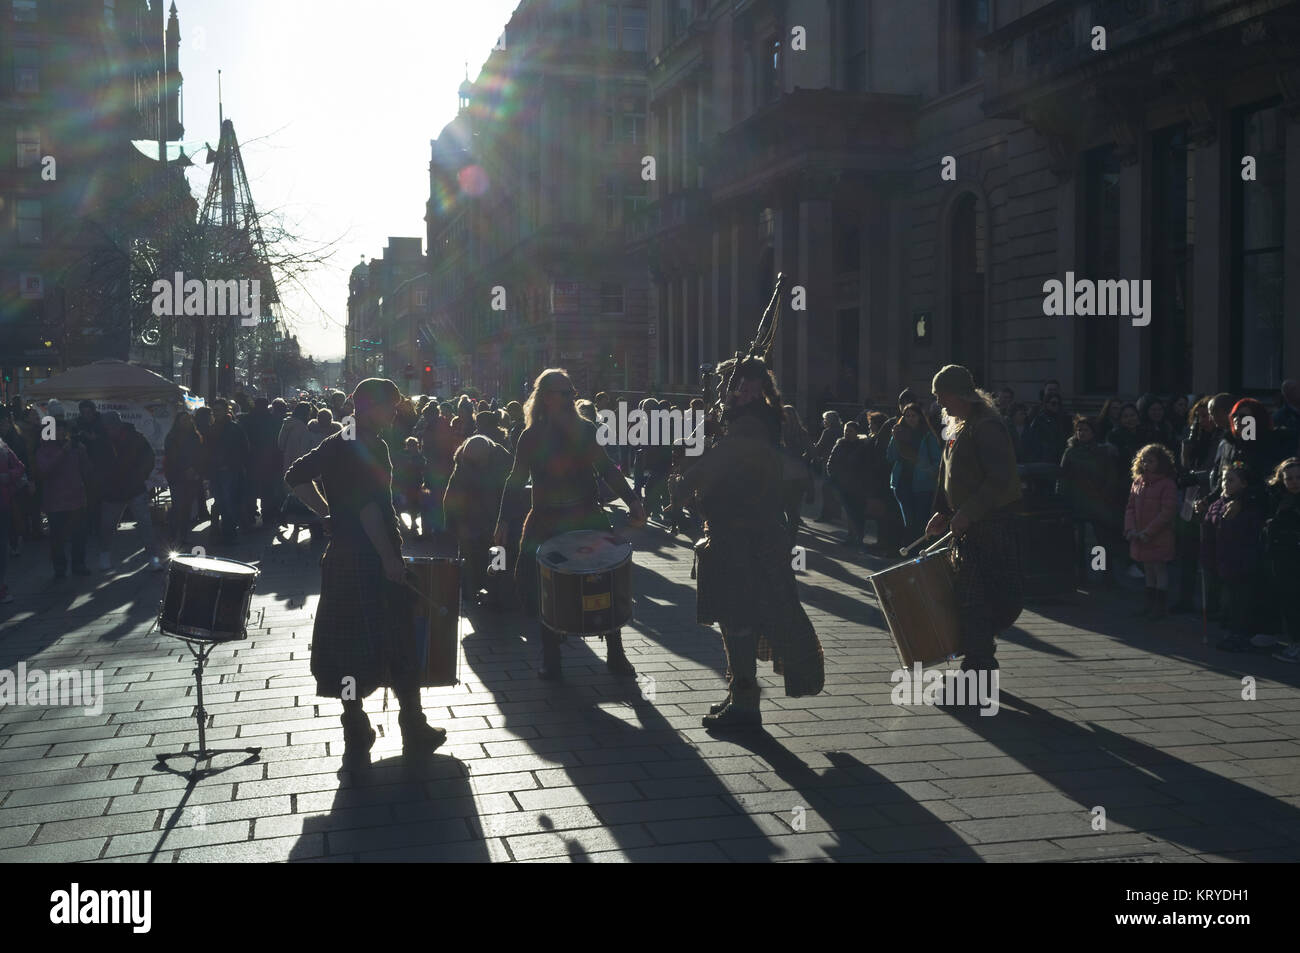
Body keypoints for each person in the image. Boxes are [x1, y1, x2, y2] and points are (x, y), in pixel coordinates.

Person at [285, 378, 447, 768]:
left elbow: (294, 476)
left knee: (345, 648)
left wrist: (326, 513)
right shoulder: (369, 444)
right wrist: (389, 559)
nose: (394, 412)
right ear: (369, 406)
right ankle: (413, 727)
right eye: (390, 405)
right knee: (399, 639)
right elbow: (368, 509)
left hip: (341, 556)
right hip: (370, 559)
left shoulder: (339, 439)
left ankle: (355, 728)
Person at [670, 356, 824, 730]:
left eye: (730, 384)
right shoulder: (755, 420)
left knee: (738, 617)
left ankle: (745, 708)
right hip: (746, 534)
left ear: (748, 387)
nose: (725, 390)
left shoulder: (753, 424)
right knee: (736, 617)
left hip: (742, 538)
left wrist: (680, 491)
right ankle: (740, 695)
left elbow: (717, 463)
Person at [492, 368, 647, 680]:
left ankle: (616, 653)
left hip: (586, 516)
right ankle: (552, 658)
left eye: (570, 392)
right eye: (561, 392)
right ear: (545, 397)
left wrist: (633, 500)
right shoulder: (531, 436)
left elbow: (607, 468)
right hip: (545, 519)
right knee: (538, 586)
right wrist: (502, 521)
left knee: (606, 582)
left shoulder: (585, 430)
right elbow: (515, 480)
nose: (568, 398)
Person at [925, 365, 1023, 678]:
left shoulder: (987, 426)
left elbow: (999, 479)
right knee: (969, 599)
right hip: (969, 525)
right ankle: (978, 667)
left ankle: (978, 671)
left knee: (974, 600)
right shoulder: (960, 425)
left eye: (943, 397)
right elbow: (950, 475)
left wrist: (968, 512)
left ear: (961, 395)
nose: (941, 404)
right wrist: (943, 511)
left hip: (991, 526)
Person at [443, 433, 514, 608]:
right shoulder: (463, 462)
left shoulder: (504, 461)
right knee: (468, 557)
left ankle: (497, 594)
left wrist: (506, 520)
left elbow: (512, 492)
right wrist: (451, 525)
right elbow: (451, 495)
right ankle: (469, 589)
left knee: (498, 556)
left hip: (495, 519)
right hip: (469, 521)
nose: (474, 466)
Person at [1203, 462, 1267, 652]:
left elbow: (1251, 532)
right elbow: (1209, 528)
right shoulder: (1218, 503)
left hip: (1241, 560)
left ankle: (1239, 634)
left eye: (1231, 480)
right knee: (1229, 599)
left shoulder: (1246, 506)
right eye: (1223, 479)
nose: (1225, 484)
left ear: (1244, 484)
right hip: (1222, 559)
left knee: (1240, 599)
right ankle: (1231, 631)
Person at [1057, 416, 1123, 587]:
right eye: (1079, 430)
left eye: (1086, 430)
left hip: (1099, 503)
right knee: (1079, 543)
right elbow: (1063, 477)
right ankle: (1081, 576)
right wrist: (1062, 500)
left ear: (1093, 432)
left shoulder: (1102, 452)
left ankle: (1103, 575)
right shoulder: (1070, 452)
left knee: (1100, 543)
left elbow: (1111, 476)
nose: (1082, 433)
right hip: (1077, 503)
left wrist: (1106, 494)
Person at [97, 411, 165, 572]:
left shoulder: (134, 437)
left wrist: (141, 475)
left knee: (145, 525)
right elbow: (96, 463)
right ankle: (104, 554)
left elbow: (148, 456)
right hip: (112, 490)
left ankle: (153, 558)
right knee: (107, 526)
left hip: (134, 488)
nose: (109, 429)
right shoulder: (102, 440)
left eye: (111, 426)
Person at [1124, 443, 1179, 621]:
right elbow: (1130, 507)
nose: (1147, 464)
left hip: (1158, 535)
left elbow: (1167, 512)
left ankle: (1160, 606)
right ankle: (1149, 604)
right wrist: (1131, 529)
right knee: (1148, 568)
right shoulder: (1138, 482)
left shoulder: (1167, 484)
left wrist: (1149, 532)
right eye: (1144, 460)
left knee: (1159, 569)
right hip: (1140, 533)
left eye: (1151, 461)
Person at [36, 418, 92, 581]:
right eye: (57, 430)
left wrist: (83, 451)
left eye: (63, 430)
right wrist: (63, 452)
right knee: (57, 538)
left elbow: (87, 469)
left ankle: (78, 564)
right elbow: (45, 470)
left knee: (79, 535)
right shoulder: (44, 449)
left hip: (76, 499)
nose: (60, 433)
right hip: (55, 502)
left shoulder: (76, 448)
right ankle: (60, 567)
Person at [886, 402, 942, 539]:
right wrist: (895, 438)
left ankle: (919, 550)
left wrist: (929, 470)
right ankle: (910, 549)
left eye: (913, 416)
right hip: (902, 482)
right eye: (907, 416)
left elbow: (937, 460)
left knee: (921, 520)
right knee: (909, 521)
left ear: (920, 417)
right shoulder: (899, 433)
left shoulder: (927, 435)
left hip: (922, 484)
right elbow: (891, 456)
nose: (910, 418)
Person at [1265, 458, 1300, 662]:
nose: (1294, 482)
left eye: (1298, 478)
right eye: (1290, 478)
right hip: (1282, 556)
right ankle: (1295, 641)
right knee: (1289, 600)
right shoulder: (1278, 499)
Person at [163, 412, 204, 550]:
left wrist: (196, 470)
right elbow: (172, 457)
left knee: (187, 507)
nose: (186, 421)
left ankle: (183, 535)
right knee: (178, 506)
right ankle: (172, 535)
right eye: (183, 419)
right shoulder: (172, 437)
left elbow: (200, 455)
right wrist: (186, 468)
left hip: (192, 477)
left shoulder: (195, 435)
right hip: (177, 476)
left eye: (188, 419)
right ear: (178, 421)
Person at [0, 431, 26, 602]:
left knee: (2, 548)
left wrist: (7, 476)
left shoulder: (3, 446)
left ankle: (1, 586)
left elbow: (20, 466)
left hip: (3, 503)